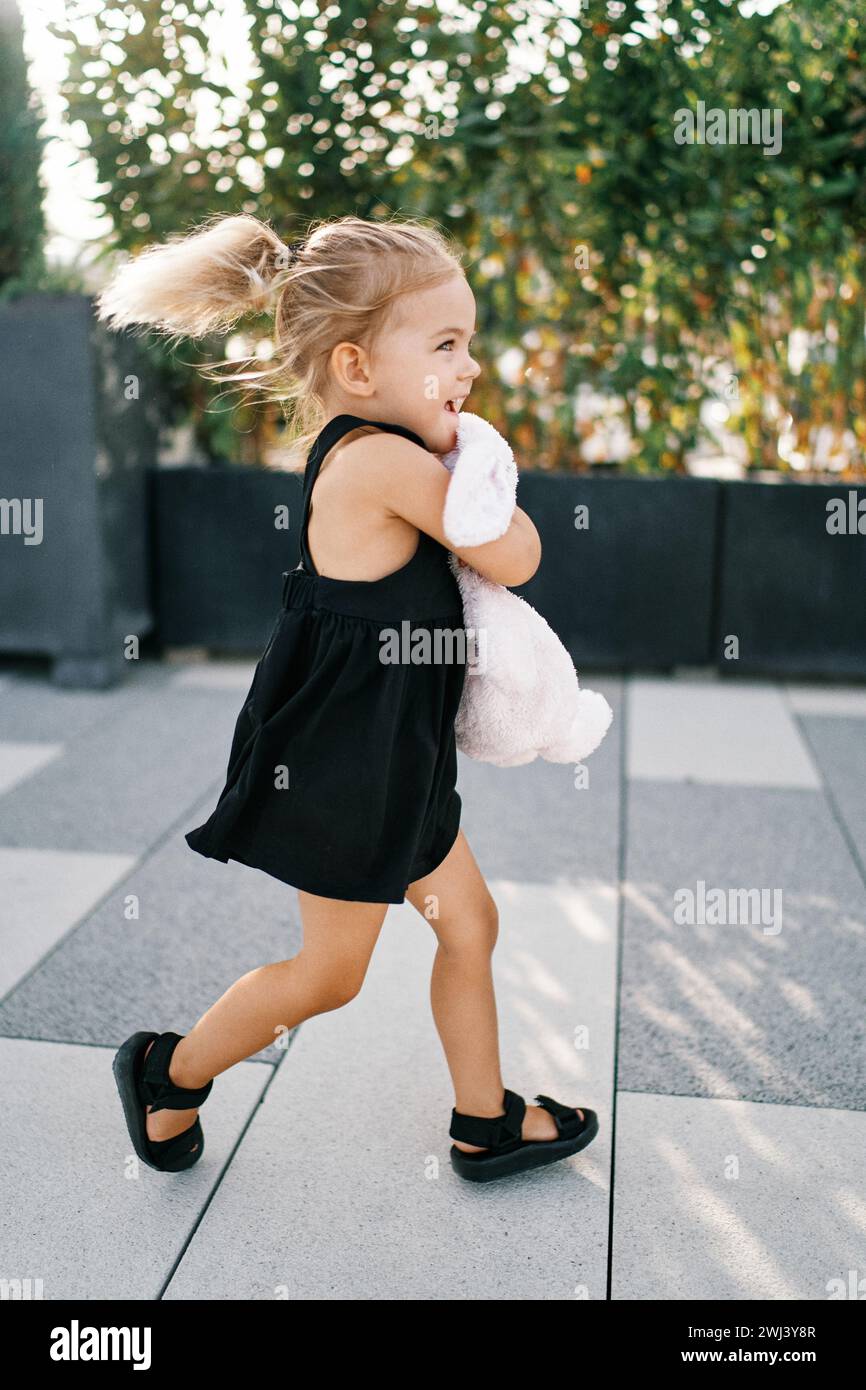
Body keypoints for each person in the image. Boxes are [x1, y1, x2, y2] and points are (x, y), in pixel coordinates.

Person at [98, 212, 598, 1184]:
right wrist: (475, 457)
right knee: (328, 977)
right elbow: (516, 551)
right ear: (359, 371)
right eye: (445, 346)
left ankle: (483, 1118)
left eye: (470, 346)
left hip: (395, 758)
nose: (469, 369)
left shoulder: (392, 453)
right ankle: (169, 1071)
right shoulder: (380, 464)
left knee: (469, 923)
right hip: (339, 770)